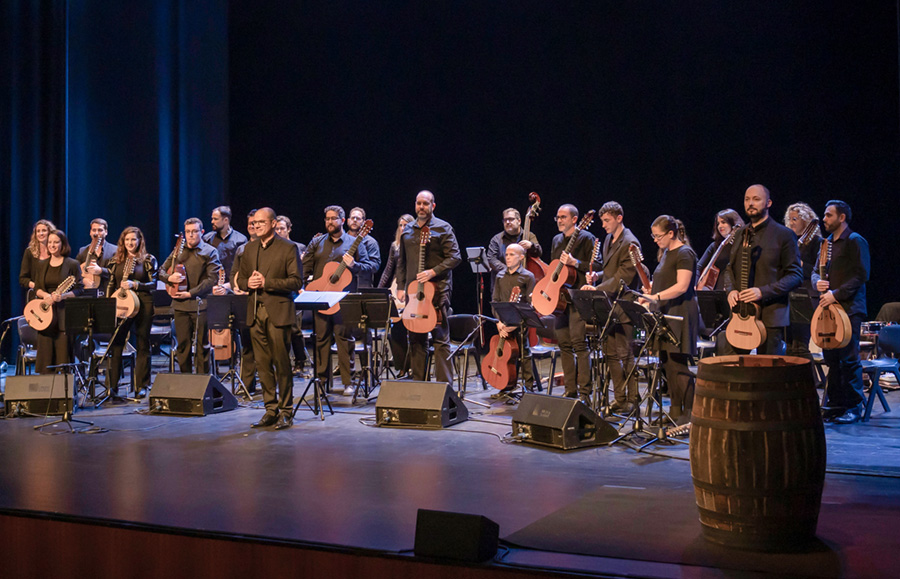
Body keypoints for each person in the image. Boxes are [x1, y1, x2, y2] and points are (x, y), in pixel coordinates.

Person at [238, 208, 303, 429]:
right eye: (254, 223)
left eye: (261, 222)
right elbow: (240, 280)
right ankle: (270, 409)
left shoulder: (288, 248)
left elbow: (296, 282)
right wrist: (248, 283)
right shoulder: (249, 248)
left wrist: (267, 283)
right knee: (262, 364)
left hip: (278, 313)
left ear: (274, 223)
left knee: (281, 363)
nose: (256, 226)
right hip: (255, 313)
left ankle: (286, 411)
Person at [722, 185, 803, 355]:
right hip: (739, 314)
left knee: (767, 373)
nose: (750, 203)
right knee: (734, 370)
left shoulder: (784, 235)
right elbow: (730, 268)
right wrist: (730, 290)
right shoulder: (739, 233)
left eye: (756, 199)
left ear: (768, 203)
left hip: (771, 316)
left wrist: (762, 292)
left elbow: (795, 275)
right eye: (747, 199)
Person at [580, 201, 642, 413]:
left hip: (624, 305)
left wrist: (596, 289)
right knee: (611, 355)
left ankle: (633, 399)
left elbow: (624, 276)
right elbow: (609, 271)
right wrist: (596, 276)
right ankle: (621, 398)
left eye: (607, 220)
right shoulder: (608, 239)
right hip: (609, 306)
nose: (604, 225)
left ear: (619, 218)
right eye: (603, 221)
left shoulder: (630, 242)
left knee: (625, 354)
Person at [302, 205, 370, 395]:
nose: (330, 222)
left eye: (334, 218)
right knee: (321, 339)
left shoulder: (354, 242)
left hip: (343, 300)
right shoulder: (317, 242)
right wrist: (301, 286)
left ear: (342, 220)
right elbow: (305, 266)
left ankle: (348, 382)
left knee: (344, 339)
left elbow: (370, 266)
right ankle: (322, 382)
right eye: (327, 219)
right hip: (321, 298)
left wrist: (354, 265)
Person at [813, 200, 870, 424]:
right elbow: (815, 272)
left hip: (849, 309)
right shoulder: (826, 244)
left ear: (842, 217)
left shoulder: (855, 241)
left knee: (848, 359)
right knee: (832, 359)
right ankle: (836, 405)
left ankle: (854, 406)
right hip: (829, 310)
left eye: (828, 215)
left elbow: (861, 275)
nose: (824, 219)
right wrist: (816, 281)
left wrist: (835, 294)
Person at [396, 190, 462, 384]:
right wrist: (400, 286)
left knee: (440, 339)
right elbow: (402, 261)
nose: (421, 207)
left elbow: (455, 257)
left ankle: (444, 388)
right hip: (412, 292)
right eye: (418, 203)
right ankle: (419, 384)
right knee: (416, 339)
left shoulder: (443, 228)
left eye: (426, 203)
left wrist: (433, 272)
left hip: (437, 291)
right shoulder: (407, 229)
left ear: (433, 206)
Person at [642, 215, 699, 428]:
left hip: (681, 311)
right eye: (653, 236)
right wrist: (648, 294)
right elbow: (662, 282)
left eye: (658, 236)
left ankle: (689, 414)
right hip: (666, 311)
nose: (655, 240)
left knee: (679, 364)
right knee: (667, 362)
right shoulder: (667, 252)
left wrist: (655, 297)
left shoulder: (685, 253)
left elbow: (682, 286)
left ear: (671, 233)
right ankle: (675, 411)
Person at [548, 204, 600, 403]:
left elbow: (597, 266)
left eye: (563, 217)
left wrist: (575, 263)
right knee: (564, 344)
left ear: (575, 219)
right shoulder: (556, 240)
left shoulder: (586, 238)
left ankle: (585, 392)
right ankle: (570, 389)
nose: (560, 220)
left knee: (579, 344)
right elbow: (555, 267)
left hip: (578, 297)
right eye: (558, 217)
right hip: (559, 300)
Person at [159, 217, 222, 374]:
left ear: (201, 232)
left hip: (201, 305)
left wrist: (190, 293)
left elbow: (212, 279)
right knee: (183, 346)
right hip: (180, 305)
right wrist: (169, 278)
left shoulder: (210, 251)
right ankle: (186, 382)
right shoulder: (178, 251)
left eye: (194, 231)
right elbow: (160, 271)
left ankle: (202, 384)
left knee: (202, 345)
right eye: (188, 232)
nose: (191, 235)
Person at [105, 227, 158, 398]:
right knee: (117, 343)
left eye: (133, 240)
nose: (130, 243)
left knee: (143, 343)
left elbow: (153, 284)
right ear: (122, 241)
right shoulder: (115, 261)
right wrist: (108, 305)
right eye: (127, 240)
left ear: (139, 241)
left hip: (143, 303)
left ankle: (141, 386)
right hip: (121, 303)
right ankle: (112, 387)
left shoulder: (149, 260)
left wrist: (136, 285)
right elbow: (111, 284)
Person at [490, 243, 537, 397]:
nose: (508, 258)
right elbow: (495, 301)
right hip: (502, 324)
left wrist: (514, 325)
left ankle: (528, 388)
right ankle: (507, 386)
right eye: (507, 254)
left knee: (523, 353)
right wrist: (499, 323)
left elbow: (529, 305)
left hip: (520, 323)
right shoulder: (500, 276)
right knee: (506, 356)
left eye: (512, 255)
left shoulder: (527, 276)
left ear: (521, 257)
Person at [32, 230, 82, 374]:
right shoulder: (41, 264)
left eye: (56, 242)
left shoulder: (72, 264)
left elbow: (80, 290)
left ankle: (64, 393)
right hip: (45, 316)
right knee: (46, 358)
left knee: (63, 357)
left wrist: (63, 296)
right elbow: (37, 288)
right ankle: (47, 393)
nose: (52, 245)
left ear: (63, 244)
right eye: (50, 242)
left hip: (63, 315)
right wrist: (46, 296)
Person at [784, 202, 823, 356]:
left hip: (806, 297)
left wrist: (798, 263)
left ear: (806, 221)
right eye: (790, 219)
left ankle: (806, 379)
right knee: (787, 345)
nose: (791, 223)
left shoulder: (817, 243)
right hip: (788, 295)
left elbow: (817, 271)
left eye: (795, 219)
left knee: (801, 346)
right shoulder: (789, 242)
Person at [227, 210, 259, 392]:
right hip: (245, 302)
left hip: (263, 302)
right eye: (250, 224)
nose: (252, 226)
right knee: (246, 345)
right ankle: (247, 385)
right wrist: (236, 286)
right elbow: (233, 275)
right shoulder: (242, 249)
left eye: (256, 223)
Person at [379, 214, 414, 376]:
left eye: (406, 225)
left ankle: (415, 365)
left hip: (414, 287)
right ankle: (402, 366)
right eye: (400, 225)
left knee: (413, 329)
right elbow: (388, 269)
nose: (403, 228)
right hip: (397, 287)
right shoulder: (395, 245)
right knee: (397, 329)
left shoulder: (416, 244)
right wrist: (379, 290)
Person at [275, 214, 308, 375]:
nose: (279, 231)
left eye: (282, 228)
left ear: (289, 229)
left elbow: (306, 272)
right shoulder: (273, 248)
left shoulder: (299, 247)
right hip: (278, 293)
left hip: (295, 293)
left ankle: (300, 361)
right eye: (277, 229)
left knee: (294, 329)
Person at [486, 208, 542, 290]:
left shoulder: (529, 236)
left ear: (519, 221)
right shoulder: (496, 239)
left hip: (526, 286)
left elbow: (539, 252)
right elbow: (491, 259)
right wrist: (509, 271)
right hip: (502, 287)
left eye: (511, 219)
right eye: (505, 220)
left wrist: (531, 245)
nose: (507, 222)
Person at [696, 209, 743, 291]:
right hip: (717, 291)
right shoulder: (715, 246)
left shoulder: (743, 244)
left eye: (723, 222)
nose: (720, 226)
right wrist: (695, 283)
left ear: (733, 224)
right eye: (718, 223)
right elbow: (698, 267)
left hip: (737, 290)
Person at [203, 205, 248, 280]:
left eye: (215, 219)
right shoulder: (207, 239)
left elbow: (243, 267)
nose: (212, 222)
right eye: (212, 219)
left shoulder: (241, 240)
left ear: (226, 220)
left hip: (232, 285)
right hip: (211, 285)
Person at [75, 218, 117, 292]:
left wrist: (101, 271)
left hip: (107, 292)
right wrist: (83, 280)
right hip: (87, 293)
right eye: (94, 230)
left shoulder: (115, 250)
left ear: (106, 232)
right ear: (90, 232)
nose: (96, 233)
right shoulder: (82, 251)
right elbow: (74, 272)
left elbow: (117, 273)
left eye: (100, 230)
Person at [347, 207, 381, 288]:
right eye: (352, 218)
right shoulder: (342, 239)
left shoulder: (371, 242)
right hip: (341, 285)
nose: (355, 220)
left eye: (358, 218)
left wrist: (355, 265)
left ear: (363, 222)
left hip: (362, 286)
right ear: (348, 220)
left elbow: (375, 266)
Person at [19, 219, 56, 292]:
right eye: (38, 231)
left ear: (50, 232)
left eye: (44, 230)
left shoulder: (55, 251)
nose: (41, 233)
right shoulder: (29, 252)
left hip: (54, 293)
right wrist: (38, 287)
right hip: (36, 293)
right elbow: (23, 279)